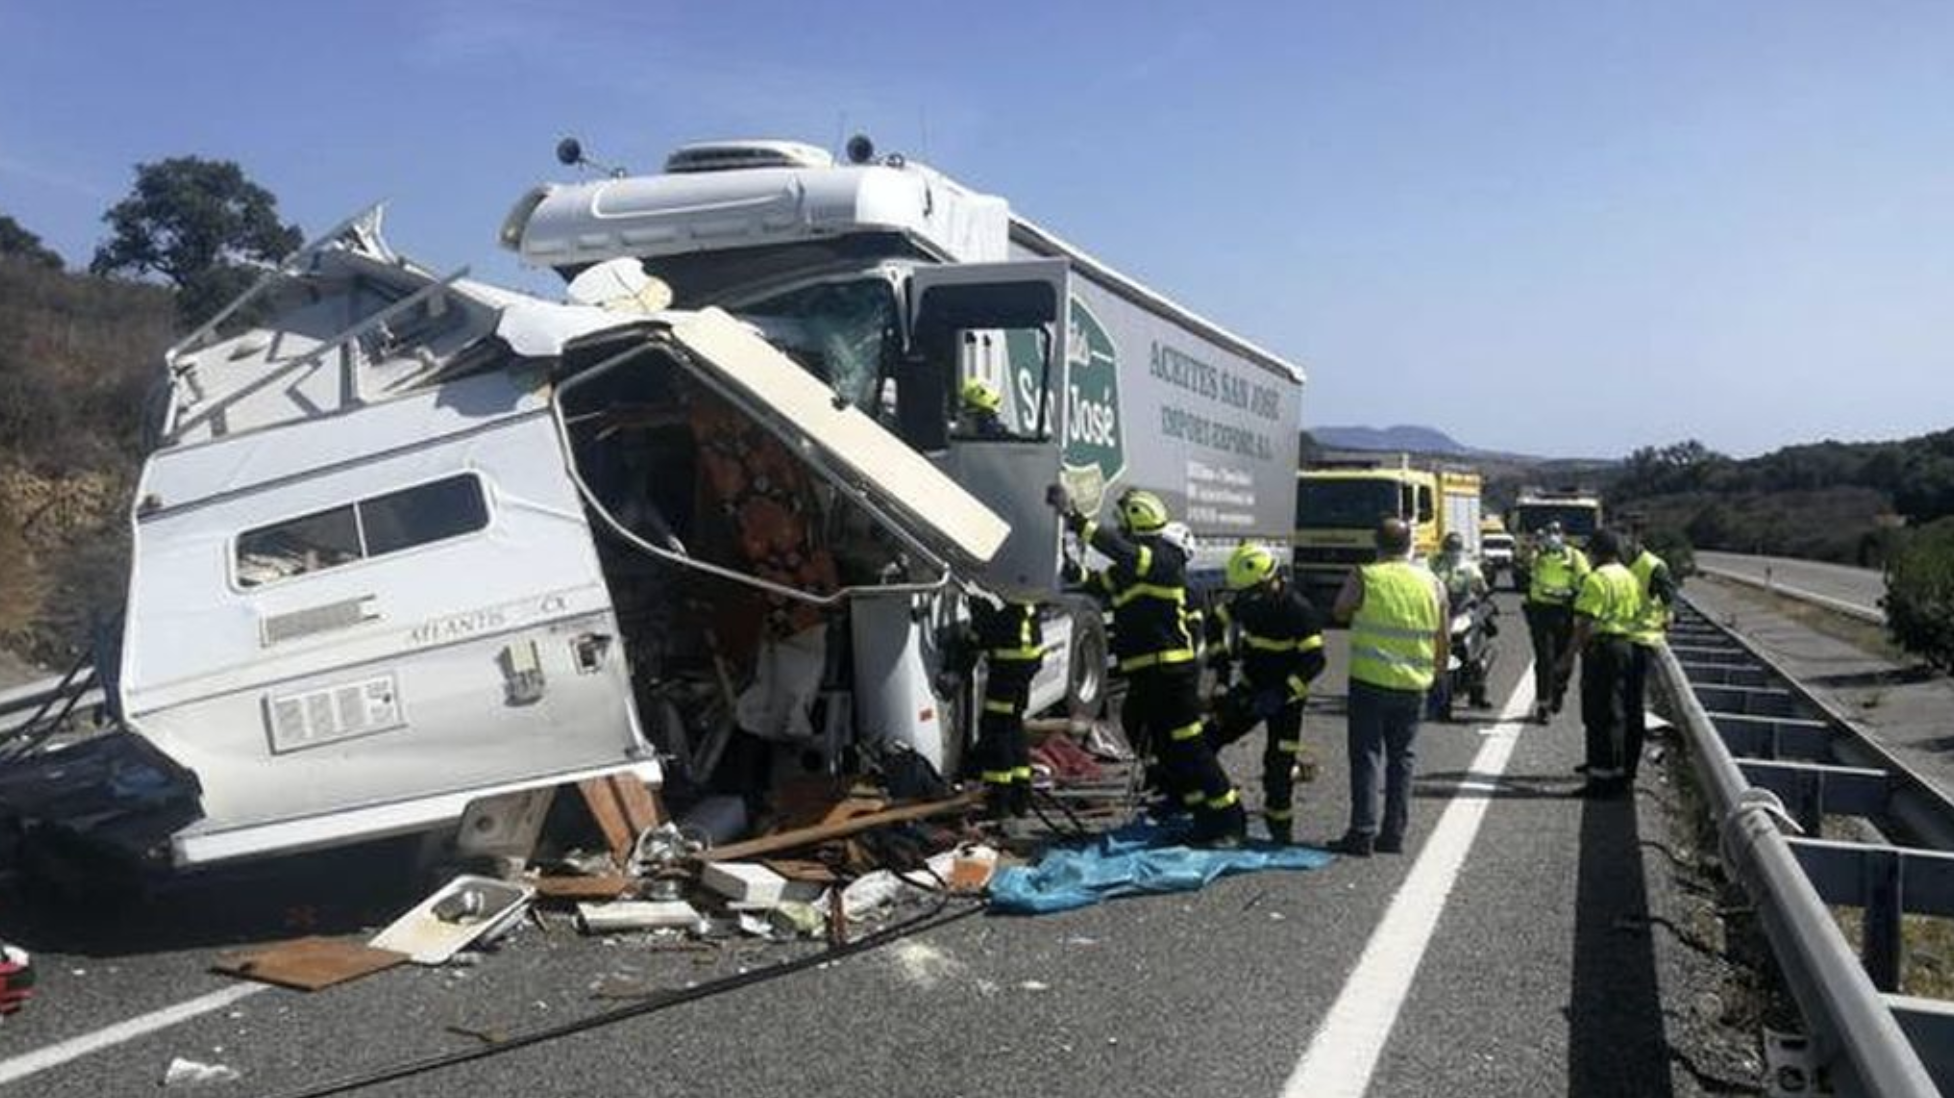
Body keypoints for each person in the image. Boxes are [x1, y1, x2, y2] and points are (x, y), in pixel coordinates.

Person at [1053, 485, 1247, 845]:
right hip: (1147, 674)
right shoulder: (1134, 568)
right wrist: (1069, 566)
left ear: (1136, 522)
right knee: (1149, 735)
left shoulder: (1162, 558)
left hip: (1172, 674)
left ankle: (1229, 820)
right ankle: (1190, 808)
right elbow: (1099, 583)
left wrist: (1076, 519)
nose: (1121, 529)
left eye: (1123, 522)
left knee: (1190, 748)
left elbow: (1122, 551)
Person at [1331, 516, 1447, 856]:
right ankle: (1393, 834)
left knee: (1366, 756)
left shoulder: (1366, 575)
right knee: (1403, 759)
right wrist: (1440, 675)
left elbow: (1340, 611)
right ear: (1409, 543)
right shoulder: (1432, 582)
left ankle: (1362, 832)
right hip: (1413, 686)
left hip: (1370, 681)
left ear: (1376, 543)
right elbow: (1442, 636)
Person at [1206, 542, 1328, 845]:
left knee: (1277, 770)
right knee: (1206, 742)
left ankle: (1281, 834)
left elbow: (1315, 662)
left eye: (1251, 591)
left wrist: (1282, 695)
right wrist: (1222, 676)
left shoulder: (1298, 609)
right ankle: (1215, 812)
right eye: (1242, 593)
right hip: (1250, 688)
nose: (1245, 599)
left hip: (1286, 700)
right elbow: (1214, 621)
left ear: (1271, 580)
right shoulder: (1248, 600)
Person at [1557, 529, 1643, 798]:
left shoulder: (1597, 579)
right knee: (1619, 713)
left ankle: (1601, 781)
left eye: (1590, 551)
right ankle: (1619, 773)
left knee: (1600, 714)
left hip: (1603, 649)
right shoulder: (1629, 577)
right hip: (1628, 646)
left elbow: (1585, 623)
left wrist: (1567, 657)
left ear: (1596, 552)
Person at [967, 591, 1044, 818]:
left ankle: (998, 801)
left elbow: (983, 639)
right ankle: (1020, 798)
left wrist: (980, 617)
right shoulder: (1030, 609)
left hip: (1004, 681)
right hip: (1021, 681)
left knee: (996, 734)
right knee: (1014, 731)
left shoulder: (1008, 618)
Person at [1621, 532, 1676, 782]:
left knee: (1632, 708)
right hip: (1620, 640)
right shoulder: (1622, 565)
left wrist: (1667, 618)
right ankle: (1614, 760)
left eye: (1628, 541)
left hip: (1641, 643)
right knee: (1618, 706)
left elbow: (1669, 602)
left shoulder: (1654, 566)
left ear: (1637, 542)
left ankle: (1628, 768)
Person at [1523, 521, 1590, 723]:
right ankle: (1543, 703)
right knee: (1544, 658)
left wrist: (1573, 595)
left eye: (1556, 533)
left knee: (1564, 658)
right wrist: (1533, 548)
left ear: (1563, 535)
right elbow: (1526, 567)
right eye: (1549, 533)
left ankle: (1558, 691)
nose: (1552, 536)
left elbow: (1585, 579)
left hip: (1565, 612)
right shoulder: (1539, 555)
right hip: (1540, 611)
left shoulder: (1574, 556)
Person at [1426, 531, 1491, 719]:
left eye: (1454, 549)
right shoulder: (1434, 564)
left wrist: (1480, 595)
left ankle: (1478, 692)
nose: (1451, 552)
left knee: (1475, 654)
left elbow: (1482, 587)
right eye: (1448, 549)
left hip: (1463, 614)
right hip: (1438, 615)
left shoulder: (1469, 567)